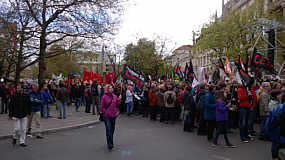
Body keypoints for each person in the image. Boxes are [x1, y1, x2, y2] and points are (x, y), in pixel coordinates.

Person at [100, 84, 121, 151]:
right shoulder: (104, 97)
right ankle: (110, 144)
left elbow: (117, 105)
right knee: (108, 129)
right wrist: (105, 112)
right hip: (107, 116)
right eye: (110, 88)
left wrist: (119, 100)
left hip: (113, 115)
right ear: (107, 89)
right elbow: (102, 107)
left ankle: (110, 140)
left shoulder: (115, 96)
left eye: (112, 88)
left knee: (112, 129)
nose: (112, 89)